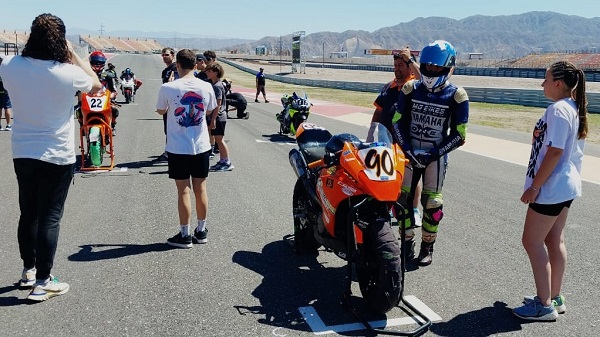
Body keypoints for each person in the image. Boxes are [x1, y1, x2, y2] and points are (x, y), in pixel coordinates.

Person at [0, 13, 102, 301]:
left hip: (22, 150)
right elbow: (95, 84)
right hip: (57, 152)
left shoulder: (10, 65)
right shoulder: (67, 72)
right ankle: (44, 282)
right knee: (50, 217)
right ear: (60, 40)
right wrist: (73, 55)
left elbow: (20, 72)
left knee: (28, 214)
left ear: (31, 36)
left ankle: (28, 271)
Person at [512, 61, 587, 321]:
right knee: (554, 240)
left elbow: (554, 152)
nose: (542, 84)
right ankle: (554, 297)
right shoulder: (572, 107)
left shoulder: (557, 110)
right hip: (566, 186)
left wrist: (534, 187)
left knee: (531, 242)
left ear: (558, 83)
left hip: (552, 187)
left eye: (545, 79)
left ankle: (544, 306)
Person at [392, 40, 469, 266]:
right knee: (402, 199)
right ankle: (406, 243)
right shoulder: (410, 88)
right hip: (409, 153)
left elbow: (460, 134)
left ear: (449, 68)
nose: (432, 71)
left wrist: (435, 152)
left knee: (433, 202)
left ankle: (428, 246)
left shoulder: (457, 95)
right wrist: (407, 149)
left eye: (438, 68)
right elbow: (397, 123)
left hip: (436, 156)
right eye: (428, 66)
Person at [156, 48, 217, 248]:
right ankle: (201, 231)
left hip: (177, 147)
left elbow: (160, 110)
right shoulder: (206, 86)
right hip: (200, 146)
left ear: (178, 65)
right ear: (195, 64)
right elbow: (209, 110)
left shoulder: (168, 87)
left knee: (183, 191)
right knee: (201, 188)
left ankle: (185, 235)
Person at [366, 48, 422, 228]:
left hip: (407, 140)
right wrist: (370, 135)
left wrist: (412, 61)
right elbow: (378, 111)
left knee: (410, 177)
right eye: (395, 65)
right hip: (385, 139)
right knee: (385, 174)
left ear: (409, 67)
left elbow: (426, 82)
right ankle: (389, 206)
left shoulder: (416, 86)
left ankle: (413, 209)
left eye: (400, 65)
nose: (397, 68)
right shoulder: (388, 87)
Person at [206, 63, 234, 171]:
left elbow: (217, 104)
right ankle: (222, 160)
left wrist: (213, 119)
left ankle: (227, 162)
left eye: (209, 71)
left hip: (219, 117)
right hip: (216, 117)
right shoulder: (214, 84)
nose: (207, 73)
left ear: (216, 73)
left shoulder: (217, 86)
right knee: (218, 140)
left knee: (220, 140)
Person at [87, 50, 119, 135]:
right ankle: (82, 125)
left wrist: (111, 96)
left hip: (105, 99)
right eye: (94, 62)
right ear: (90, 62)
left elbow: (114, 90)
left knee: (114, 110)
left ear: (103, 63)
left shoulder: (108, 75)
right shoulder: (85, 74)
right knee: (78, 111)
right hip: (88, 100)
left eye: (99, 62)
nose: (97, 64)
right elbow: (78, 89)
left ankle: (112, 126)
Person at [156, 47, 177, 162]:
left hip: (175, 104)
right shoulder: (165, 71)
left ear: (173, 55)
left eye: (167, 55)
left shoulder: (176, 68)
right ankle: (169, 151)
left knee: (172, 129)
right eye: (163, 55)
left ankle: (170, 153)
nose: (164, 57)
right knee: (167, 129)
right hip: (167, 104)